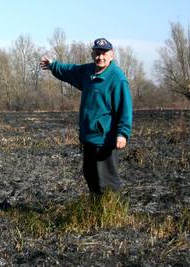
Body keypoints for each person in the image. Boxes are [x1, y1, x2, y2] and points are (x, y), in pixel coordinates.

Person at [40, 38, 132, 194]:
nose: (100, 57)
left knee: (107, 181)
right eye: (97, 53)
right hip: (88, 137)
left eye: (104, 53)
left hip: (105, 139)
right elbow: (70, 71)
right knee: (91, 176)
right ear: (92, 54)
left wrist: (122, 133)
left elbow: (125, 108)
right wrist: (52, 65)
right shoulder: (88, 72)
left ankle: (111, 213)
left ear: (112, 55)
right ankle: (95, 212)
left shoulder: (117, 78)